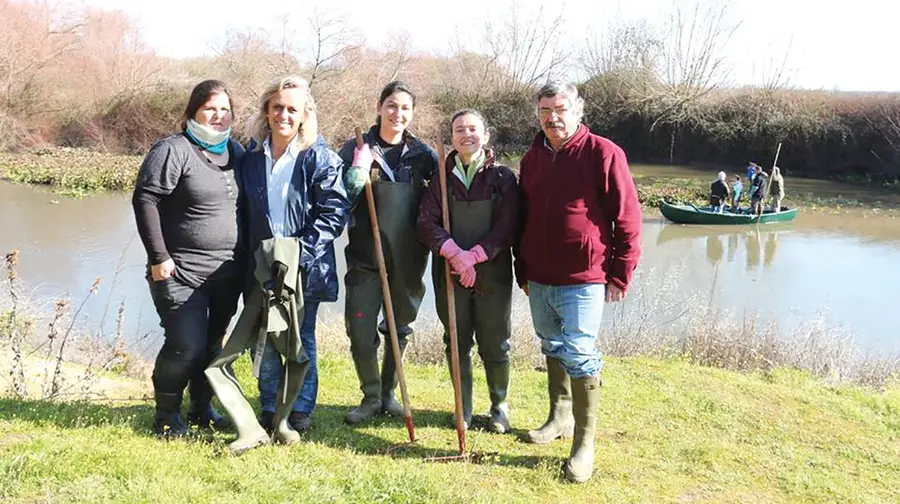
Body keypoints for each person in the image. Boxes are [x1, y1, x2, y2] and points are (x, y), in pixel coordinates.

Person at [515, 82, 642, 483]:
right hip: (539, 277)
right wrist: (523, 268)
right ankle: (559, 417)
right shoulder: (531, 159)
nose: (553, 117)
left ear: (578, 110)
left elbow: (628, 218)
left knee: (581, 353)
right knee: (551, 345)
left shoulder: (604, 154)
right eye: (545, 110)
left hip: (585, 278)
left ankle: (583, 445)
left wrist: (621, 272)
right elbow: (523, 217)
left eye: (561, 108)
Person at [132, 79, 244, 437]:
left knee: (212, 344)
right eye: (210, 108)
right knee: (186, 345)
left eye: (225, 109)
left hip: (227, 273)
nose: (218, 116)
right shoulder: (173, 149)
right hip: (178, 272)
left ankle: (201, 408)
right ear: (193, 111)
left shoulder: (237, 153)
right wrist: (158, 256)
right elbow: (145, 200)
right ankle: (166, 414)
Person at [240, 75, 350, 434]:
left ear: (305, 115)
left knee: (301, 339)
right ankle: (270, 407)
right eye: (277, 107)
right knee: (268, 338)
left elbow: (333, 213)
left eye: (292, 109)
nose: (283, 115)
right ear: (266, 111)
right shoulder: (251, 158)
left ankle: (300, 409)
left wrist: (296, 256)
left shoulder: (320, 158)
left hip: (305, 268)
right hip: (262, 268)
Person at [337, 81, 438, 424]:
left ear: (412, 113)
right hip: (366, 256)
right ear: (380, 107)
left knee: (399, 328)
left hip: (409, 259)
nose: (398, 113)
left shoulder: (424, 155)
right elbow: (337, 200)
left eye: (405, 108)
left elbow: (441, 203)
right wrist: (356, 172)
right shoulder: (356, 147)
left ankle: (389, 394)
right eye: (392, 106)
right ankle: (370, 396)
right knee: (360, 328)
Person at [416, 109, 519, 432]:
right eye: (459, 129)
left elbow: (508, 226)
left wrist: (473, 257)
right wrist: (455, 256)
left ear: (485, 136)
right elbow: (425, 223)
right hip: (449, 271)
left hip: (493, 272)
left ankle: (499, 405)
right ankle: (464, 406)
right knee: (456, 340)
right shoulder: (441, 178)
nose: (466, 134)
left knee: (495, 341)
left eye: (473, 129)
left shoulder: (502, 177)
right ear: (452, 138)